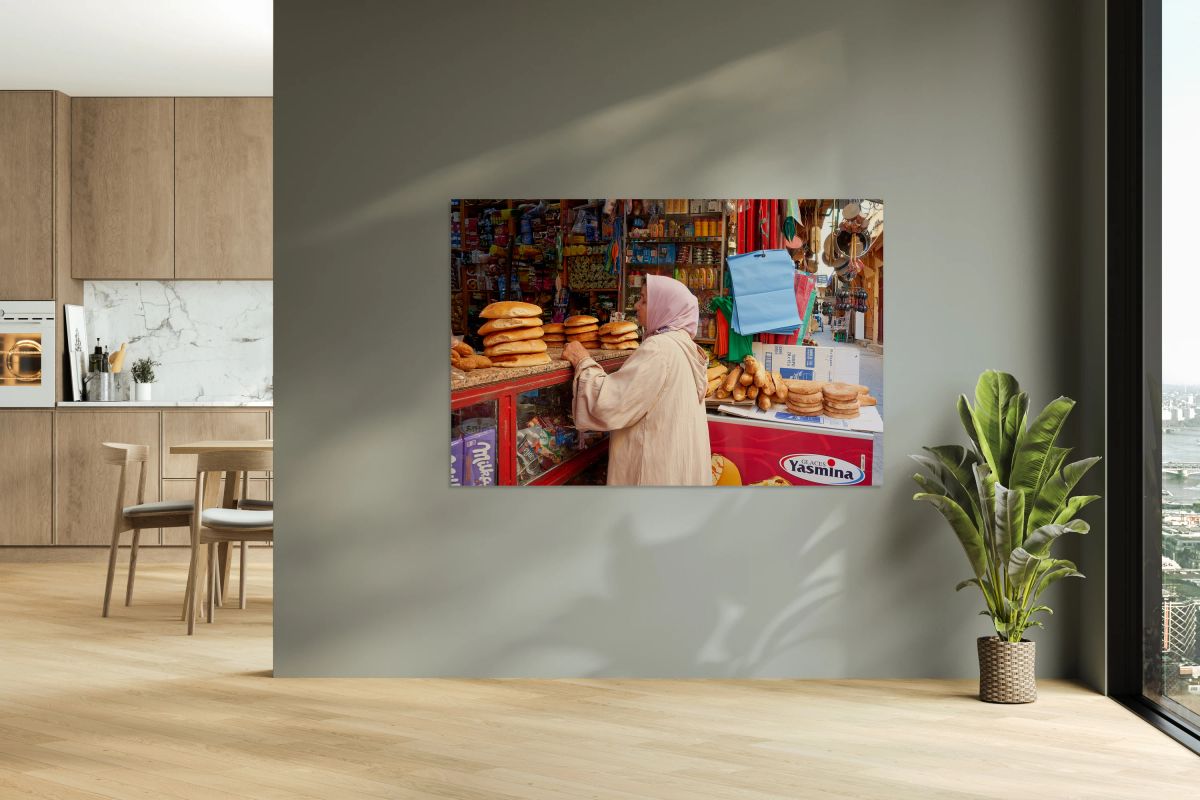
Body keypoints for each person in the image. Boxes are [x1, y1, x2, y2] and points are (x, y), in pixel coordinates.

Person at [561, 275, 710, 486]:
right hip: (675, 469)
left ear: (664, 307)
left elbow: (610, 403)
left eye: (644, 300)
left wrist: (583, 361)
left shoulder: (659, 348)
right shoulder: (685, 345)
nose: (636, 306)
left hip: (654, 474)